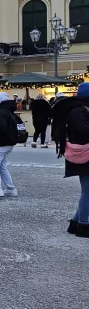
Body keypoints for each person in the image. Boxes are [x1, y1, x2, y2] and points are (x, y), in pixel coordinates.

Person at [51, 82, 89, 236]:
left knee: (87, 191)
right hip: (84, 154)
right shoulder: (78, 111)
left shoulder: (78, 109)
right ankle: (84, 225)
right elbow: (82, 130)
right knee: (88, 192)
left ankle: (75, 223)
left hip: (83, 152)